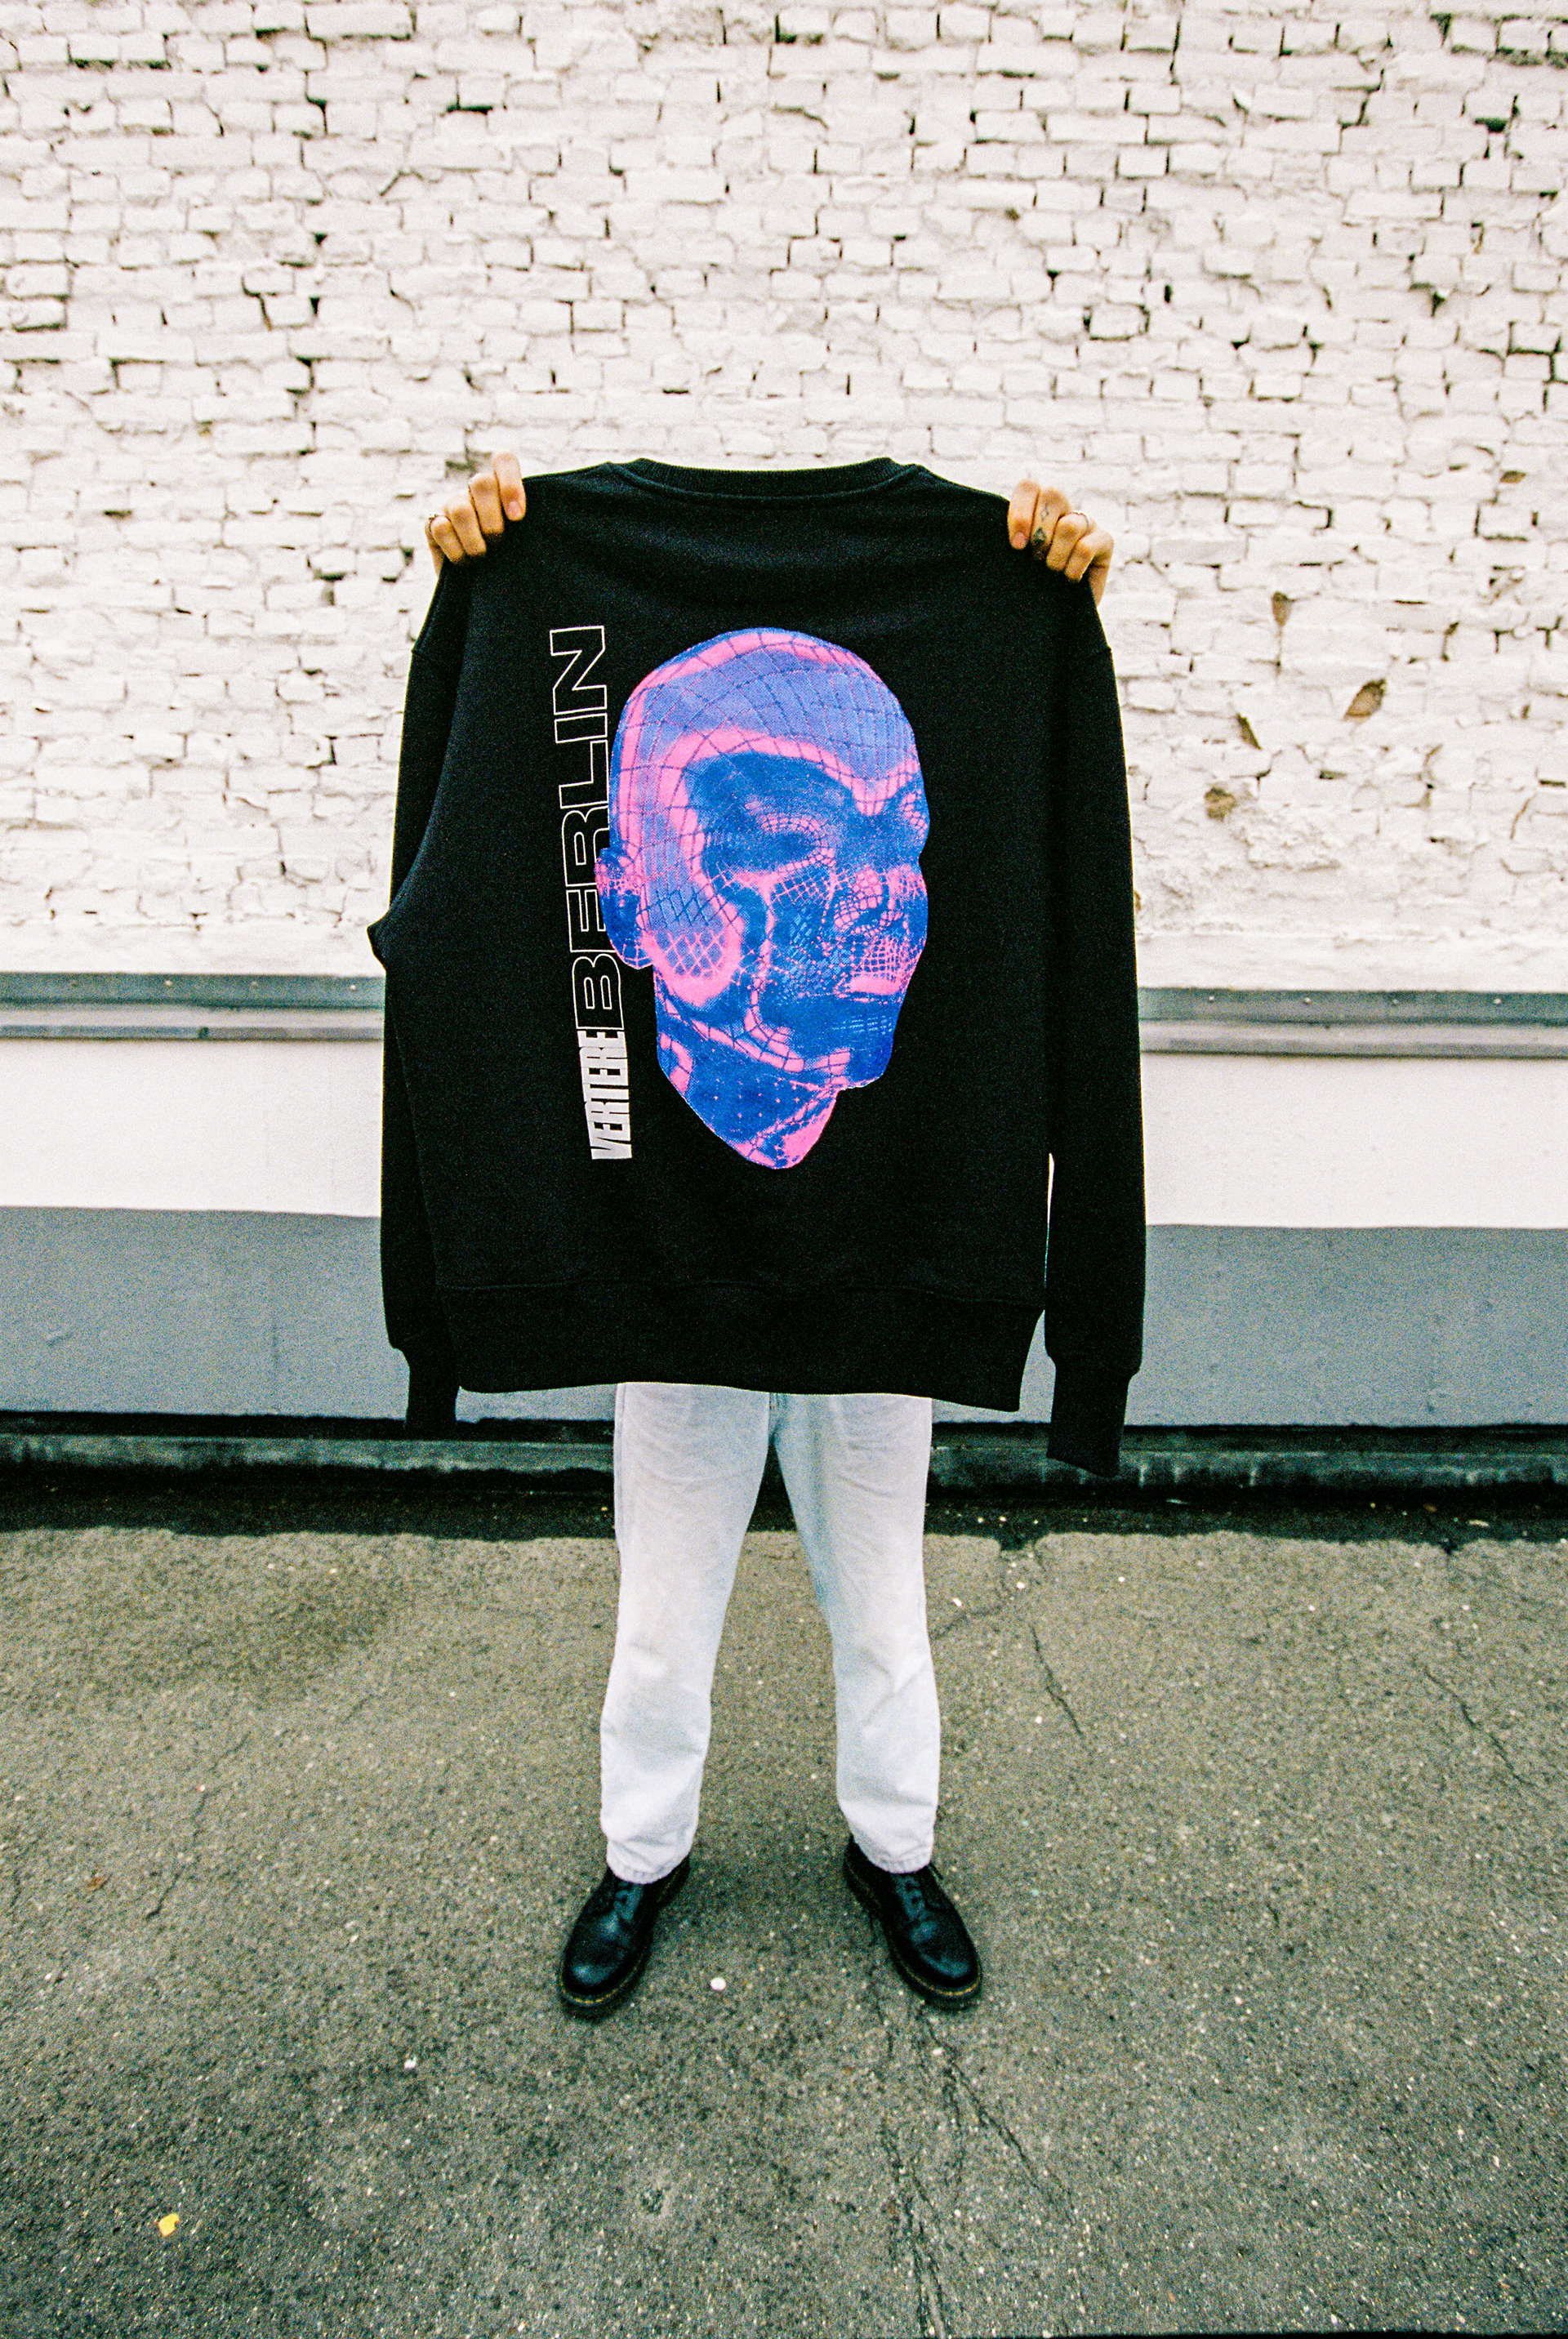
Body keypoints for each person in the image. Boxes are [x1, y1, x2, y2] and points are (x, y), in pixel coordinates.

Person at [420, 452, 1117, 2018]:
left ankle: (894, 1846)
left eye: (896, 840)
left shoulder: (988, 592)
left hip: (880, 1269)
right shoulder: (545, 596)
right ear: (634, 901)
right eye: (789, 841)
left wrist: (1042, 592)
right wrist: (486, 582)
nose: (873, 900)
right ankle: (644, 1854)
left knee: (885, 1608)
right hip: (669, 1266)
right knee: (663, 1621)